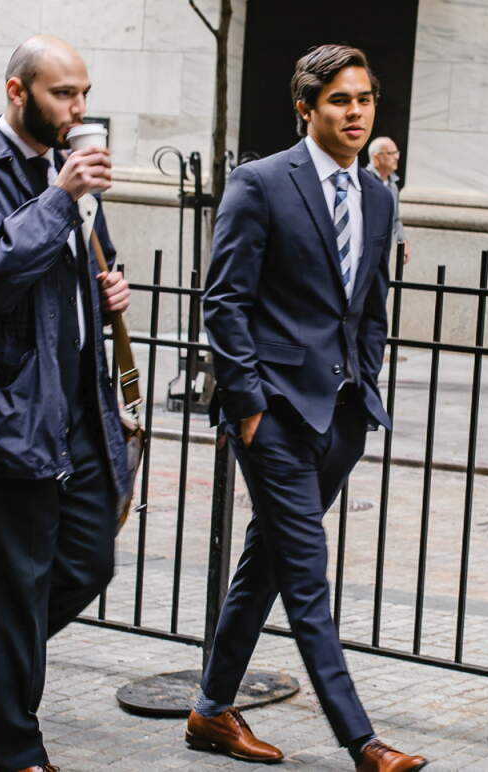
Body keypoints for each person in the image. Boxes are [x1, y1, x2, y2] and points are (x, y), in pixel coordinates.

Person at [191, 44, 426, 772]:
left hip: (341, 417)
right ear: (306, 108)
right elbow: (224, 301)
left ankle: (209, 712)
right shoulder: (260, 184)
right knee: (305, 574)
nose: (354, 112)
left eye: (364, 100)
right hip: (275, 417)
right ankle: (363, 741)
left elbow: (371, 308)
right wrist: (249, 406)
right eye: (339, 101)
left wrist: (367, 379)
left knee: (267, 562)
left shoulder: (380, 197)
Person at [0, 35, 134, 772]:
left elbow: (71, 260)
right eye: (62, 95)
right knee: (15, 585)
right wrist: (61, 196)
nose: (78, 110)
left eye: (84, 95)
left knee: (87, 562)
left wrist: (109, 285)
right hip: (6, 404)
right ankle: (19, 749)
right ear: (18, 92)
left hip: (77, 399)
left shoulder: (64, 172)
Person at [364, 135, 405, 264]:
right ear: (376, 158)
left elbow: (395, 219)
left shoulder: (393, 186)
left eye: (396, 153)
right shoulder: (362, 181)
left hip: (384, 253)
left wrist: (403, 241)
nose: (396, 157)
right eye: (391, 153)